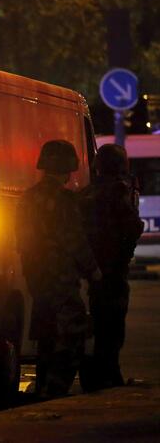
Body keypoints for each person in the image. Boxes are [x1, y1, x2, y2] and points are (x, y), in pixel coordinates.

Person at [16, 140, 101, 397]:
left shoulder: (27, 198)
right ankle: (54, 389)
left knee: (45, 334)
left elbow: (21, 240)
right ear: (68, 168)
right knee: (72, 333)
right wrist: (93, 270)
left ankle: (42, 385)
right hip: (61, 277)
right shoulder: (65, 200)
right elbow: (74, 239)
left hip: (36, 276)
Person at [79, 144, 143, 390]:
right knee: (112, 328)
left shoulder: (87, 193)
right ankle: (108, 376)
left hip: (91, 270)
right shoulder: (117, 191)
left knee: (96, 325)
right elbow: (132, 226)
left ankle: (95, 376)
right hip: (112, 271)